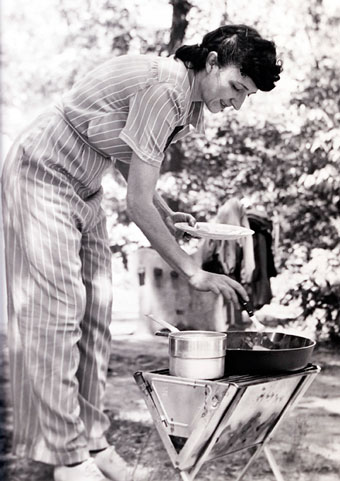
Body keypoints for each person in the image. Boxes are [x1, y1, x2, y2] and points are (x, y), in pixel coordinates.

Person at [1, 25, 281, 481]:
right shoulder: (166, 88)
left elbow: (131, 162)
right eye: (235, 87)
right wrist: (193, 272)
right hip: (42, 174)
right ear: (211, 62)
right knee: (58, 315)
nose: (237, 103)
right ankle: (68, 460)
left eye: (246, 95)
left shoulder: (189, 105)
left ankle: (92, 440)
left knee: (95, 317)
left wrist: (165, 211)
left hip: (85, 187)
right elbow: (135, 204)